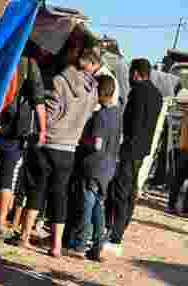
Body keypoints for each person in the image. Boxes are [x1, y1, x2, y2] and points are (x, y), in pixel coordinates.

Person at [17, 47, 101, 257]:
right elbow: (90, 114)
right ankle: (55, 246)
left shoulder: (60, 82)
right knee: (59, 196)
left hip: (50, 142)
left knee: (37, 190)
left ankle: (24, 237)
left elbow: (51, 112)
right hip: (70, 147)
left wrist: (43, 127)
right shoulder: (93, 88)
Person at [106, 58, 162, 254]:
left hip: (131, 149)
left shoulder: (138, 91)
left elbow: (135, 123)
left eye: (131, 74)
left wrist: (124, 147)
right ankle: (121, 228)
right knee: (130, 191)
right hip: (142, 150)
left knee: (121, 191)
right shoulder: (157, 94)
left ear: (136, 73)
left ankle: (115, 236)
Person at [0, 49, 46, 239]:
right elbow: (39, 101)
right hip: (16, 130)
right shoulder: (30, 65)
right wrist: (42, 129)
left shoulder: (1, 54)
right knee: (8, 179)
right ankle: (0, 222)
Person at [65, 75, 120, 261]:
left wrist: (80, 141)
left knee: (86, 206)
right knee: (99, 207)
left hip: (93, 166)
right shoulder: (117, 113)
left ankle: (80, 245)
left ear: (99, 92)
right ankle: (97, 247)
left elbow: (96, 144)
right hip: (109, 167)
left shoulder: (100, 116)